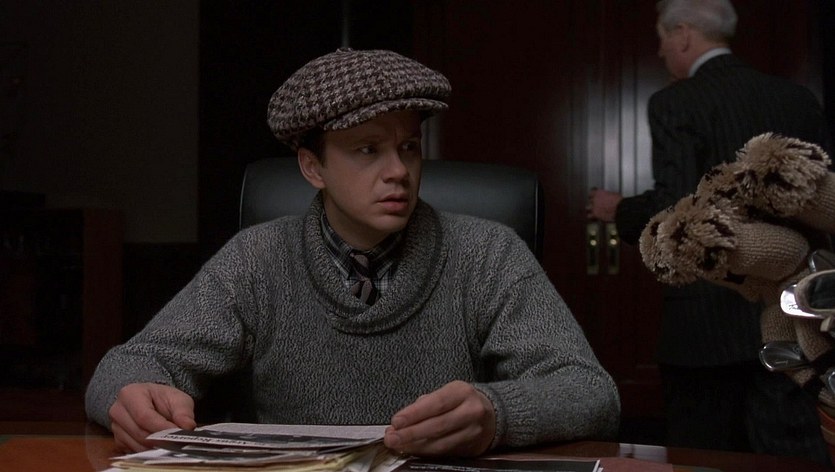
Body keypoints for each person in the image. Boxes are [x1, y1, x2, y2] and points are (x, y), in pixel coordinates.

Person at [86, 47, 621, 457]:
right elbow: (129, 364)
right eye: (368, 149)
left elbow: (591, 392)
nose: (398, 171)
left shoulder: (488, 254)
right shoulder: (257, 259)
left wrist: (496, 413)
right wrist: (129, 394)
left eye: (408, 147)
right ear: (312, 167)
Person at [588, 0, 832, 464]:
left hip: (705, 323)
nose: (661, 50)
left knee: (702, 456)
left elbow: (679, 207)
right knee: (794, 454)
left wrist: (618, 209)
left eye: (662, 37)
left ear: (683, 33)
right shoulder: (797, 98)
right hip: (795, 310)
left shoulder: (675, 101)